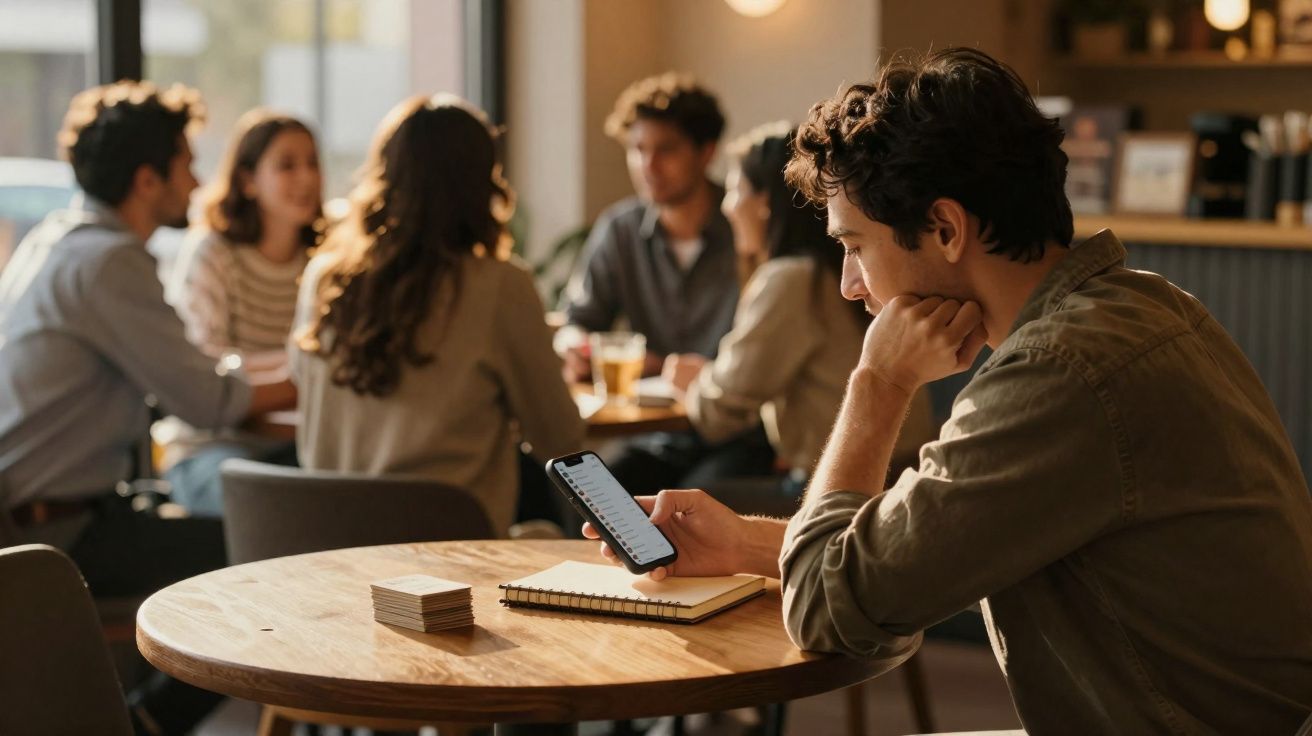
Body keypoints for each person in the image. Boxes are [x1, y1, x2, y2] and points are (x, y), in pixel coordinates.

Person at [585, 48, 1312, 733]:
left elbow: (824, 609)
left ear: (944, 228)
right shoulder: (1141, 306)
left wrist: (878, 383)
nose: (850, 285)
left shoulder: (1060, 372)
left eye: (854, 246)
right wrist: (743, 541)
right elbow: (913, 543)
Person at [0, 80, 295, 734]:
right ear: (146, 179)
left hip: (44, 513)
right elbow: (207, 399)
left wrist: (286, 367)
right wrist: (309, 375)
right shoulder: (109, 263)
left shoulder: (59, 239)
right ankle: (148, 723)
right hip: (54, 535)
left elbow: (196, 375)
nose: (196, 183)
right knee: (268, 553)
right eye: (185, 165)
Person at [290, 94, 584, 535]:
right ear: (482, 184)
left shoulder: (324, 278)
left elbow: (303, 383)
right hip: (449, 556)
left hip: (334, 550)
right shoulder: (501, 286)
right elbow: (559, 438)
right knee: (552, 533)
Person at [661, 122, 935, 516]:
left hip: (847, 484)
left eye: (736, 190)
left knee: (683, 506)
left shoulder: (790, 278)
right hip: (903, 472)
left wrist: (693, 385)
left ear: (764, 202)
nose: (727, 206)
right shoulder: (833, 268)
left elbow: (719, 414)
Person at [558, 73, 774, 495]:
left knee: (690, 505)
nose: (648, 166)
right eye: (638, 150)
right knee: (593, 493)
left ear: (706, 152)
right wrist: (575, 345)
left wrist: (661, 366)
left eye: (666, 150)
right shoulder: (620, 230)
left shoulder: (746, 226)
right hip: (658, 434)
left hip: (738, 433)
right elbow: (576, 320)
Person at [161, 109, 322, 516]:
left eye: (312, 163)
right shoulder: (213, 253)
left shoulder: (323, 260)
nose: (306, 178)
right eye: (287, 165)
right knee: (272, 510)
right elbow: (205, 367)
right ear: (248, 180)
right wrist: (299, 369)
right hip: (212, 449)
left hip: (298, 443)